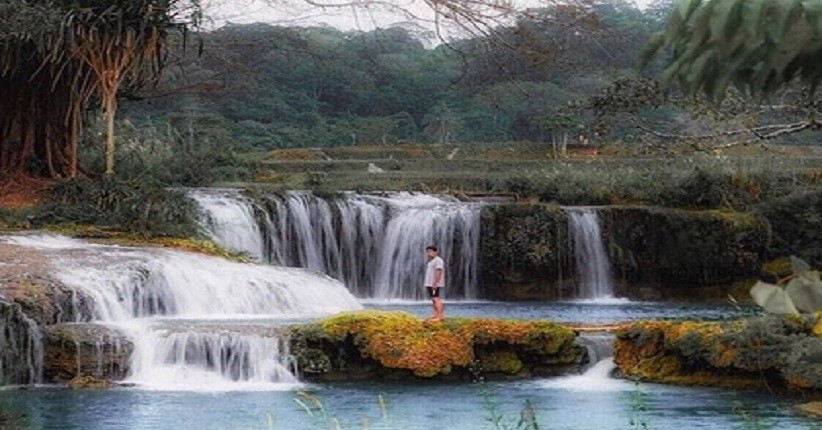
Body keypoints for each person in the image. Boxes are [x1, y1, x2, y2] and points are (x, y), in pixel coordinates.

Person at [424, 245, 445, 321]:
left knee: (436, 298)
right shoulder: (432, 261)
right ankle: (435, 314)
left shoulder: (438, 260)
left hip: (434, 283)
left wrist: (435, 283)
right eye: (427, 252)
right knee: (433, 299)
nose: (428, 253)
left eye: (430, 251)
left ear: (436, 252)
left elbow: (439, 271)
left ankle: (440, 316)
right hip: (429, 283)